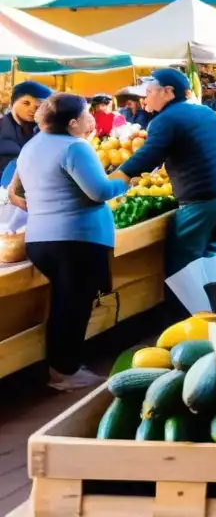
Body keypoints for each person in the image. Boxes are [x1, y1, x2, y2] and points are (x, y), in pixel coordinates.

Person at [10, 94, 127, 390]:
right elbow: (98, 191)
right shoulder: (75, 147)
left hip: (41, 240)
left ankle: (64, 367)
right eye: (87, 114)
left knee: (65, 302)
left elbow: (18, 192)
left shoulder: (31, 147)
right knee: (72, 306)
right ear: (73, 122)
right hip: (74, 240)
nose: (91, 119)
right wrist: (125, 180)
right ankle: (65, 372)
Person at [114, 68, 216, 316]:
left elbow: (145, 159)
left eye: (149, 92)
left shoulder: (166, 120)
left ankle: (200, 324)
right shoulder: (204, 111)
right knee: (210, 253)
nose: (144, 99)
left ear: (168, 92)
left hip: (200, 204)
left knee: (179, 264)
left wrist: (110, 181)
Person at [0, 80, 51, 179]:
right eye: (26, 103)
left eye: (38, 106)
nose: (32, 109)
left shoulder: (43, 131)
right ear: (12, 102)